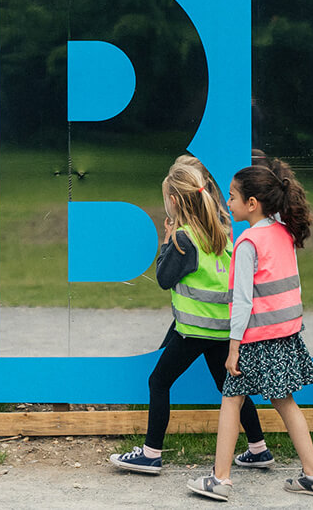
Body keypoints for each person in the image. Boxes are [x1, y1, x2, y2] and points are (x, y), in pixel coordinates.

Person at [110, 161, 271, 474]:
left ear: (174, 202)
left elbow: (164, 278)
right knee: (231, 388)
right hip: (220, 331)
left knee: (158, 381)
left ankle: (151, 453)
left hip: (193, 331)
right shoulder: (220, 232)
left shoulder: (184, 239)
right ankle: (258, 448)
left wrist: (167, 242)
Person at [187, 160, 313, 501]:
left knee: (230, 401)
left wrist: (233, 347)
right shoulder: (283, 233)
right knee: (286, 402)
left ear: (252, 203)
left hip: (255, 340)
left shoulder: (249, 242)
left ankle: (220, 479)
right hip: (285, 336)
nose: (228, 203)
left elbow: (243, 301)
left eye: (233, 197)